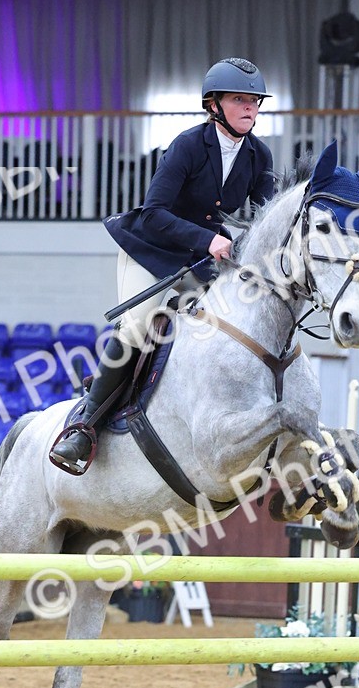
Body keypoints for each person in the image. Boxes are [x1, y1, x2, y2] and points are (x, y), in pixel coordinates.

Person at [49, 57, 275, 472]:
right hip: (151, 248)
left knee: (225, 322)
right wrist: (210, 239)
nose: (249, 108)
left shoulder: (259, 155)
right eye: (239, 100)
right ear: (214, 105)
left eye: (254, 101)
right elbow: (154, 212)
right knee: (137, 326)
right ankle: (84, 427)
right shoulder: (188, 146)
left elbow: (266, 217)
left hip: (199, 257)